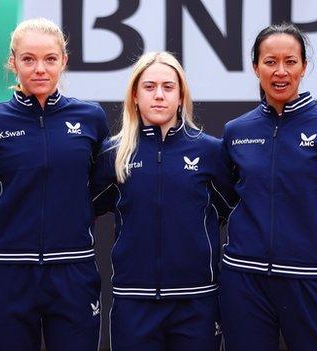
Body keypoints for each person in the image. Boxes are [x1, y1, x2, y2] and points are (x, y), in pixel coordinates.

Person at [0, 17, 109, 351]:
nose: (40, 69)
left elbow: (104, 186)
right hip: (9, 272)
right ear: (13, 62)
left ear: (64, 61)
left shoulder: (90, 117)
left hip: (74, 271)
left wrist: (79, 213)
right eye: (28, 59)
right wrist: (13, 211)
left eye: (50, 59)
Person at [92, 52, 232, 350]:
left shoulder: (210, 152)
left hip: (197, 303)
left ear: (181, 96)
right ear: (135, 94)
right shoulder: (113, 154)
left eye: (168, 87)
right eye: (149, 87)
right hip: (134, 303)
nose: (159, 95)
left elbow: (237, 211)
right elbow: (76, 208)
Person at [220, 23, 317, 350]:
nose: (280, 71)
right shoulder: (236, 131)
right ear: (255, 67)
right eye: (270, 62)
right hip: (244, 281)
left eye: (290, 61)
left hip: (311, 281)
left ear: (304, 67)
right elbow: (222, 202)